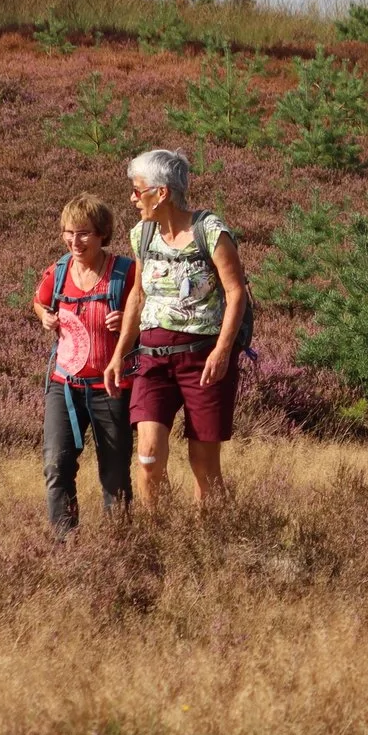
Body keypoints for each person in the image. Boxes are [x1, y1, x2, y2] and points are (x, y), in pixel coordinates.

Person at [107, 149, 249, 510]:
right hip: (152, 360)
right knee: (148, 456)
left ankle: (210, 540)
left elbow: (236, 294)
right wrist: (120, 353)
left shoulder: (211, 232)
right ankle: (160, 534)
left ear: (162, 192)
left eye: (137, 190)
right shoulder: (142, 235)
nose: (132, 198)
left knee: (204, 467)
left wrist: (222, 350)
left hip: (204, 362)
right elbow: (138, 296)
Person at [30, 193, 134, 536]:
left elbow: (147, 314)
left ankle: (118, 545)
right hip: (64, 385)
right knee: (56, 466)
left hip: (112, 386)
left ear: (103, 233)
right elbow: (39, 302)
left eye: (84, 233)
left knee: (115, 474)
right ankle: (65, 546)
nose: (75, 241)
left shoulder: (125, 272)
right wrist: (45, 316)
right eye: (68, 232)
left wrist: (128, 321)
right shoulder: (58, 271)